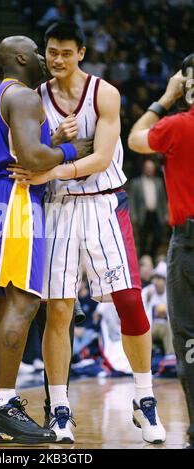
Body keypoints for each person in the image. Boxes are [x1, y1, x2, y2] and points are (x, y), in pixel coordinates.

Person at [9, 21, 166, 444]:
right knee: (57, 310)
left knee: (130, 301)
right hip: (59, 208)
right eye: (51, 52)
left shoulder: (105, 93)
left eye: (65, 52)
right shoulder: (35, 97)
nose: (57, 59)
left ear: (81, 52)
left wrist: (54, 167)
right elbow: (30, 150)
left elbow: (101, 158)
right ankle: (60, 408)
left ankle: (144, 399)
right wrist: (53, 141)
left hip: (103, 203)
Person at [0, 35, 92, 445]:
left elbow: (23, 149)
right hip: (13, 200)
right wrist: (72, 149)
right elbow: (32, 161)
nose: (42, 58)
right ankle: (5, 404)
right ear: (21, 57)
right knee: (24, 299)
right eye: (37, 51)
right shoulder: (25, 98)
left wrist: (49, 143)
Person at [128, 54, 194, 449]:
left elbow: (136, 138)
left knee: (188, 342)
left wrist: (164, 100)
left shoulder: (176, 125)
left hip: (188, 244)